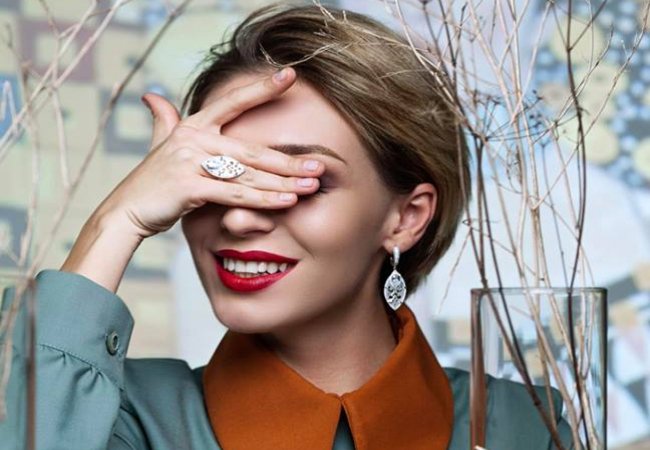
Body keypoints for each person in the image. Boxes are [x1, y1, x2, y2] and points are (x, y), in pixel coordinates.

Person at [0, 3, 573, 449]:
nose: (238, 216)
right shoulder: (119, 417)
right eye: (216, 173)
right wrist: (117, 220)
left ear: (406, 217)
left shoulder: (523, 426)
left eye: (304, 181)